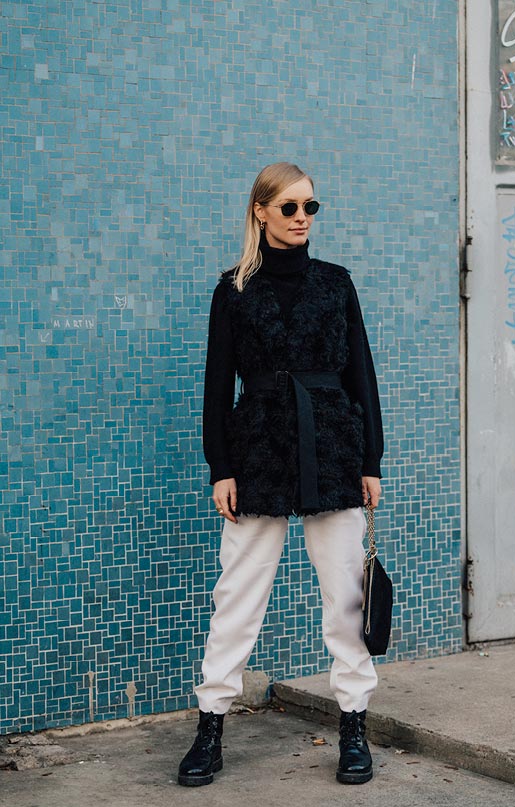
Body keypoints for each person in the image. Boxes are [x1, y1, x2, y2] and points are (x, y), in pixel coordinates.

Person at [178, 162, 384, 787]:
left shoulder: (337, 283)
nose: (302, 217)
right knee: (238, 594)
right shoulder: (232, 289)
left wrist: (371, 459)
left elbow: (362, 378)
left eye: (311, 207)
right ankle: (211, 724)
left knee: (346, 597)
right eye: (290, 207)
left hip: (333, 448)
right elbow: (216, 387)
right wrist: (221, 468)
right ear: (261, 211)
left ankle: (353, 725)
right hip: (260, 449)